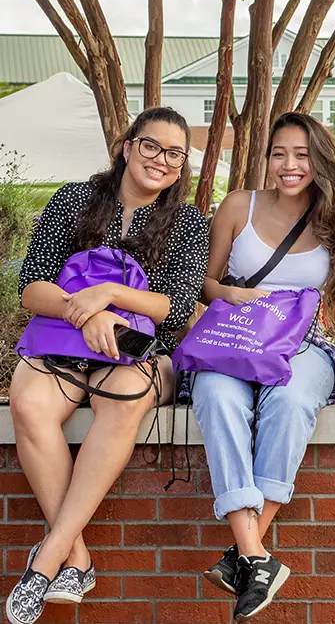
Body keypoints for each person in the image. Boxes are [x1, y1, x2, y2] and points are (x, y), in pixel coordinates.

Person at [6, 108, 209, 624]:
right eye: (150, 146)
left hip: (145, 352)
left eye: (174, 153)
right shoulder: (73, 201)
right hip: (66, 342)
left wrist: (111, 295)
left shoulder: (187, 223)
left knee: (120, 400)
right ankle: (75, 555)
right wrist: (87, 314)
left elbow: (177, 307)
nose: (161, 160)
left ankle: (48, 556)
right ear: (126, 146)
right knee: (28, 401)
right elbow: (33, 286)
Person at [191, 112, 335, 622]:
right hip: (238, 337)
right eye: (279, 154)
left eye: (302, 155)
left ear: (320, 160)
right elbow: (206, 283)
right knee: (216, 396)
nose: (290, 165)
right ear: (266, 157)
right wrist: (229, 291)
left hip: (305, 343)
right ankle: (257, 557)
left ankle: (244, 554)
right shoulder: (237, 206)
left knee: (291, 402)